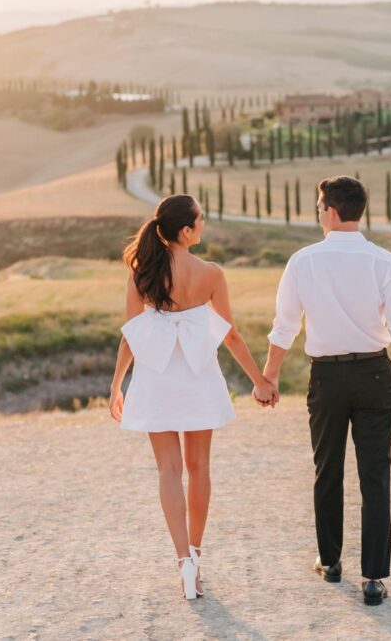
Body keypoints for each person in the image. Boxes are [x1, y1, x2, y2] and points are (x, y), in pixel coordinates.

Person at [261, 175, 391, 606]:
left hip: (326, 378)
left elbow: (285, 328)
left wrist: (268, 377)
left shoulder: (302, 262)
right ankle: (374, 579)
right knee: (374, 475)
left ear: (330, 210)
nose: (318, 213)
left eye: (319, 206)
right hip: (376, 376)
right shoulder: (385, 262)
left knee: (328, 470)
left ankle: (331, 563)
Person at [108, 194, 278, 600]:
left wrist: (116, 386)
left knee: (168, 470)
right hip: (198, 377)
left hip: (156, 378)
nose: (203, 225)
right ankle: (197, 556)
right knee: (198, 467)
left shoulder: (141, 272)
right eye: (200, 220)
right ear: (186, 231)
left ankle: (183, 561)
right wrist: (260, 381)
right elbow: (231, 335)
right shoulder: (211, 274)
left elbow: (132, 336)